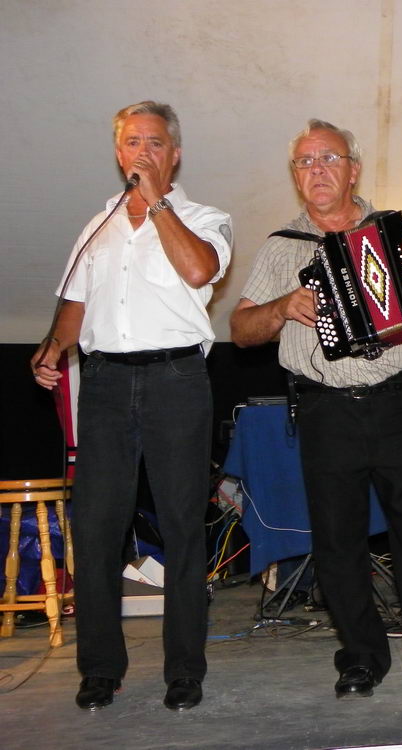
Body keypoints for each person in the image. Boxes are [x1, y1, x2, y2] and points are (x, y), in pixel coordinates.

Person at [231, 120, 402, 698]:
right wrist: (281, 307)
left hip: (398, 400)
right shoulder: (282, 246)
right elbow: (241, 329)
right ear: (295, 176)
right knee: (337, 539)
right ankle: (360, 655)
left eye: (329, 158)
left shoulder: (397, 227)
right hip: (325, 410)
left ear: (353, 169)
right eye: (305, 162)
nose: (317, 170)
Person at [31, 101, 232, 709]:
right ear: (119, 154)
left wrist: (157, 204)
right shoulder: (98, 225)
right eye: (132, 142)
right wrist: (53, 347)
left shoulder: (206, 218)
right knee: (96, 528)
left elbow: (198, 270)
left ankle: (184, 670)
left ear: (175, 153)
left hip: (176, 379)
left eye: (154, 142)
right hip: (106, 385)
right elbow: (76, 304)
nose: (142, 151)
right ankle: (99, 668)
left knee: (182, 525)